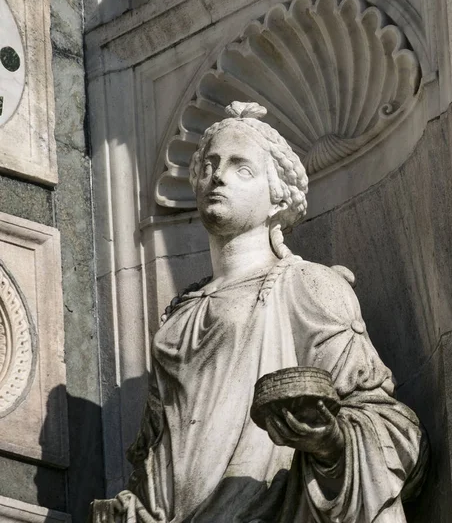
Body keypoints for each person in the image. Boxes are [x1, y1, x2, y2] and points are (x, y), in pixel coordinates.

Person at [91, 101, 425, 523]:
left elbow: (389, 426)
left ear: (276, 198)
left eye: (241, 168)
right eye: (209, 165)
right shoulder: (178, 318)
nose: (219, 176)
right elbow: (160, 464)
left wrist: (331, 442)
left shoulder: (307, 286)